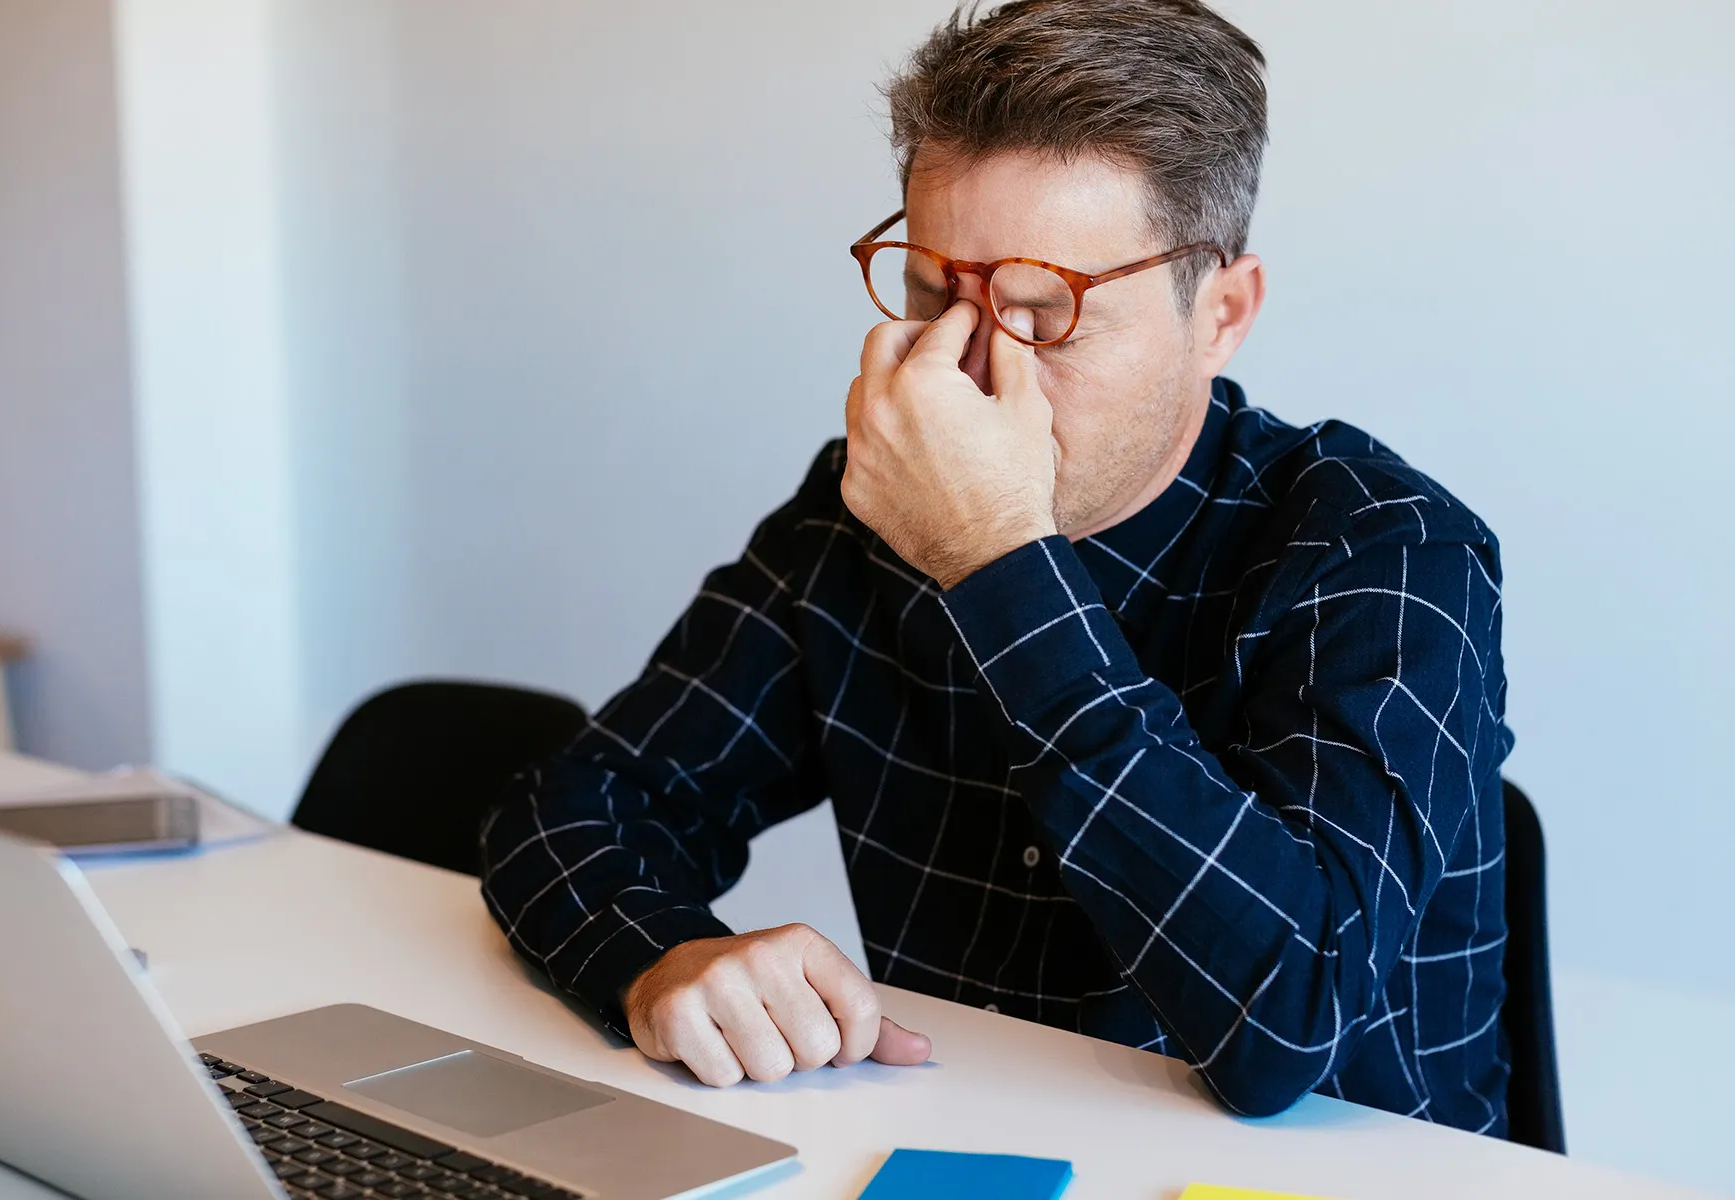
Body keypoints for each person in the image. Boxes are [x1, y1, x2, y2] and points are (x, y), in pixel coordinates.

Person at [482, 0, 1512, 1135]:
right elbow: (580, 807)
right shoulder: (866, 506)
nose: (969, 370)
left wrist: (998, 562)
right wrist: (656, 958)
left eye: (1045, 312)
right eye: (934, 294)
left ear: (1220, 313)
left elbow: (1291, 1024)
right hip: (967, 1151)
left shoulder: (1387, 550)